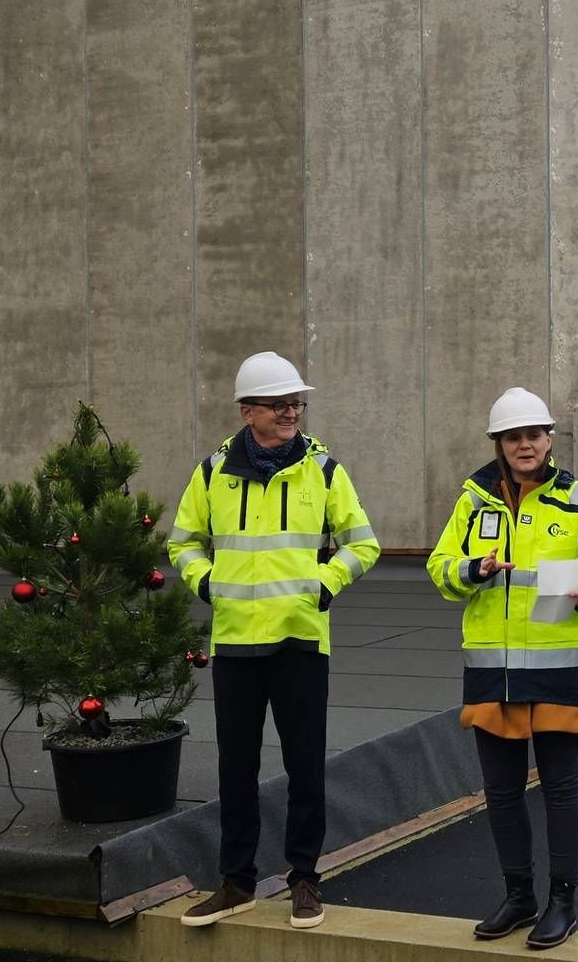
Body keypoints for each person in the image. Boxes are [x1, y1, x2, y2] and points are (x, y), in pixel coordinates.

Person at [168, 351, 382, 929]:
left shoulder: (325, 470)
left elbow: (364, 544)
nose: (292, 412)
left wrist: (322, 586)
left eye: (297, 404)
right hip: (236, 645)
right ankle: (235, 883)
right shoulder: (211, 473)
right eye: (279, 404)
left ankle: (304, 881)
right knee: (234, 769)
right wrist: (207, 582)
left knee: (305, 768)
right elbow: (182, 542)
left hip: (300, 642)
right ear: (248, 411)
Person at [426, 387, 578, 950]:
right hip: (493, 669)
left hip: (560, 667)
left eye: (533, 435)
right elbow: (440, 569)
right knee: (502, 792)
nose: (524, 445)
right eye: (513, 437)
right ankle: (519, 897)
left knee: (562, 788)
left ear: (549, 439)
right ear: (498, 443)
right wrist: (474, 568)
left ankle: (563, 901)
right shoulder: (474, 502)